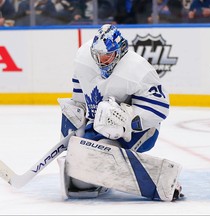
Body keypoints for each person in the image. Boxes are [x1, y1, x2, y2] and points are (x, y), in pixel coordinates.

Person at [57, 24, 183, 201]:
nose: (102, 60)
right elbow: (79, 93)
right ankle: (100, 171)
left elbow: (160, 108)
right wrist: (75, 119)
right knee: (80, 181)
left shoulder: (138, 69)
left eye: (107, 55)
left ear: (120, 50)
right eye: (98, 55)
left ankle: (160, 181)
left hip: (140, 132)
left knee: (104, 155)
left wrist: (127, 120)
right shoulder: (83, 58)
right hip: (99, 127)